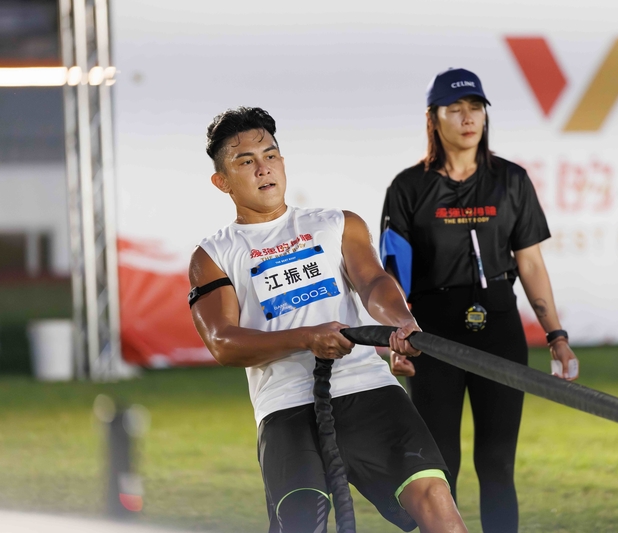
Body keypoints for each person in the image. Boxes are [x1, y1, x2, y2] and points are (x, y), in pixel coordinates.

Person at [188, 106, 467, 533]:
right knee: (304, 522)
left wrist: (401, 322)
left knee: (435, 500)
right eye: (246, 161)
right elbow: (223, 343)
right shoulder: (213, 255)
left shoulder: (337, 223)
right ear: (221, 181)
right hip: (286, 406)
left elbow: (373, 282)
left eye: (270, 155)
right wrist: (306, 338)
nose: (264, 168)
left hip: (367, 386)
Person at [380, 68, 579, 533]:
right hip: (433, 336)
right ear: (433, 118)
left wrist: (556, 335)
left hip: (500, 332)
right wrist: (396, 337)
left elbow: (531, 265)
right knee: (439, 467)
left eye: (476, 108)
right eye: (455, 109)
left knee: (497, 463)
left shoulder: (511, 180)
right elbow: (393, 275)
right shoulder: (408, 188)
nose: (468, 118)